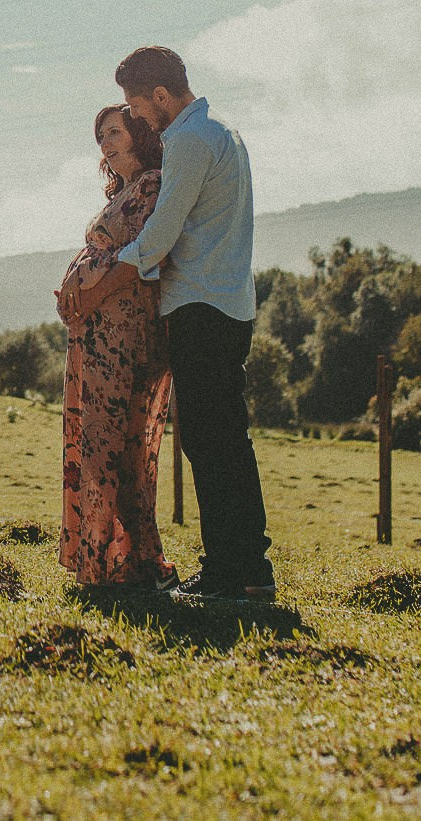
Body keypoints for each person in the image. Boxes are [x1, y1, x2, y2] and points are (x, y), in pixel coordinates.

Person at [103, 45, 274, 601]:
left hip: (202, 306)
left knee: (211, 441)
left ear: (160, 95)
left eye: (137, 105)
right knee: (222, 440)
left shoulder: (190, 141)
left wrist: (102, 281)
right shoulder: (223, 133)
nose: (135, 118)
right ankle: (240, 566)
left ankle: (236, 571)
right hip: (227, 303)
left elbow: (161, 233)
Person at [54, 103, 177, 592]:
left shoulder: (152, 185)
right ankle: (106, 561)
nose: (105, 141)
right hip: (96, 331)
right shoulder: (120, 192)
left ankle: (127, 562)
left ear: (139, 135)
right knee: (94, 439)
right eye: (99, 134)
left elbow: (139, 252)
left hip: (125, 329)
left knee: (117, 443)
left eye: (114, 131)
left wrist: (86, 283)